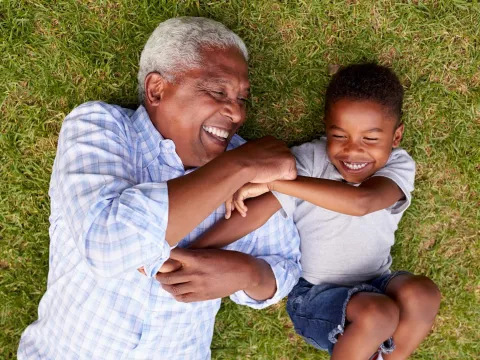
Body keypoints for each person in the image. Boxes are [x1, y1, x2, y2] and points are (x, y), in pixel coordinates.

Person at [17, 17, 302, 359]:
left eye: (242, 98)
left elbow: (284, 268)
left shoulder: (250, 165)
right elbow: (109, 245)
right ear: (156, 90)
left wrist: (245, 273)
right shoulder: (99, 128)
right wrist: (238, 166)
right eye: (218, 91)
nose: (237, 113)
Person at [186, 64, 441, 360]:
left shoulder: (397, 165)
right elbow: (257, 212)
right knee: (378, 313)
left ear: (395, 137)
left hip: (378, 282)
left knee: (423, 294)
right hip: (314, 297)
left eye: (370, 139)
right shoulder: (308, 160)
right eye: (340, 136)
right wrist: (195, 249)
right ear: (326, 127)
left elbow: (363, 202)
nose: (353, 152)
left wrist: (276, 182)